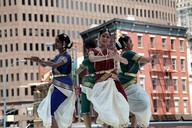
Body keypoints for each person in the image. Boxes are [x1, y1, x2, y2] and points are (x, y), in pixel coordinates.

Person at [25, 33, 76, 128]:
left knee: (49, 110)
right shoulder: (57, 56)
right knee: (57, 113)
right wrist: (37, 60)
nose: (55, 43)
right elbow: (46, 64)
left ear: (64, 43)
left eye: (58, 41)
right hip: (58, 86)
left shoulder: (66, 57)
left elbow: (55, 65)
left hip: (63, 87)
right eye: (55, 41)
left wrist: (40, 60)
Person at [82, 28, 130, 128]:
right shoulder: (93, 50)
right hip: (101, 81)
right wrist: (108, 57)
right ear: (99, 37)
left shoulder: (112, 51)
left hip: (113, 79)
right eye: (103, 36)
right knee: (105, 107)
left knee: (123, 102)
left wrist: (118, 56)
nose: (105, 38)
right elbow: (92, 59)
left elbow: (125, 61)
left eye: (107, 37)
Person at [116, 35, 160, 128]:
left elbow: (139, 64)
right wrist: (152, 58)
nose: (132, 44)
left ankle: (132, 124)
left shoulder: (125, 54)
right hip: (129, 83)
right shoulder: (128, 53)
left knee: (134, 107)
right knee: (144, 102)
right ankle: (131, 119)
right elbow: (144, 59)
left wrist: (148, 60)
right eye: (130, 41)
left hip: (127, 82)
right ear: (125, 43)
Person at [75, 39, 97, 128]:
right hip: (102, 81)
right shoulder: (102, 57)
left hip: (89, 83)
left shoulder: (88, 60)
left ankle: (89, 126)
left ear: (87, 49)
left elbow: (77, 71)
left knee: (85, 107)